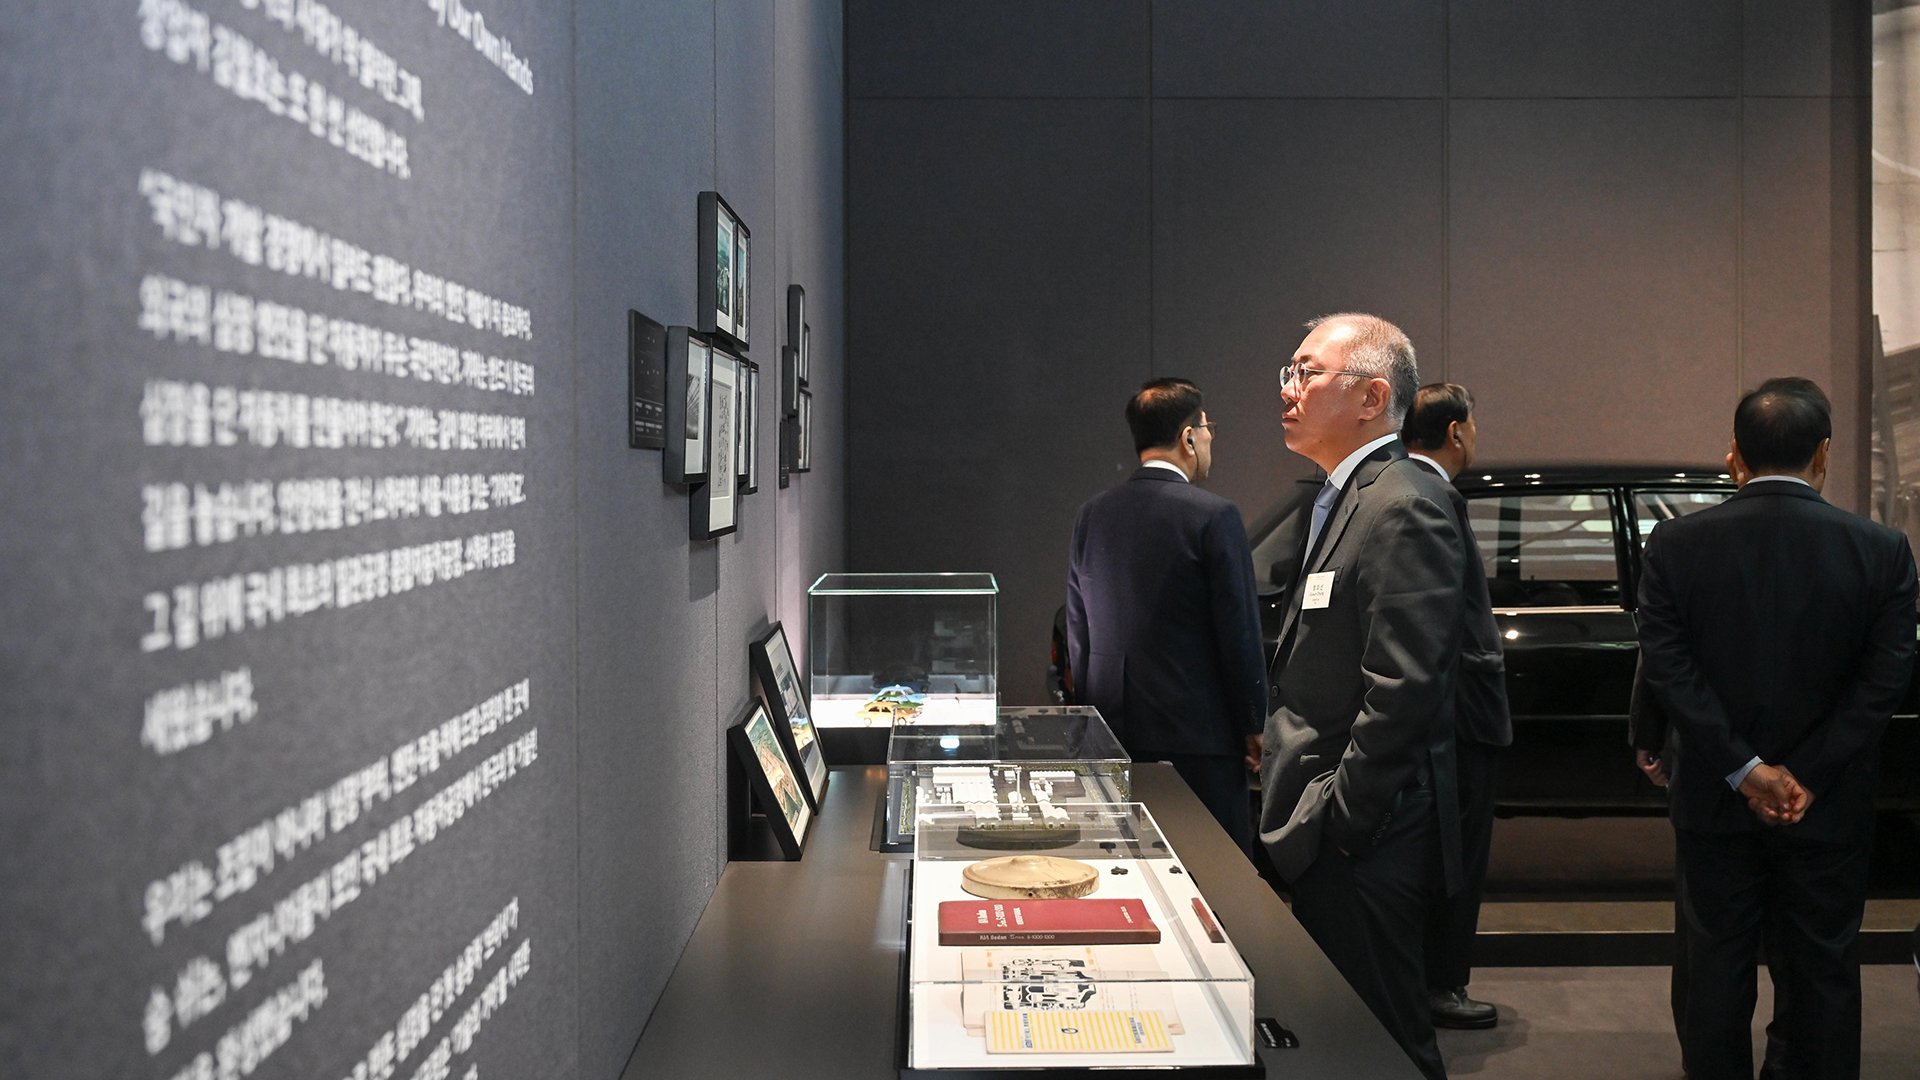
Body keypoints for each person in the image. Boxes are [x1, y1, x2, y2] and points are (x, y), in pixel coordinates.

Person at [1637, 377, 1916, 1080]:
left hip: (1714, 797)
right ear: (1823, 453)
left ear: (1735, 452)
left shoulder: (1675, 544)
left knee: (1713, 965)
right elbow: (1883, 683)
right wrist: (1806, 776)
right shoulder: (1882, 549)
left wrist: (1746, 771)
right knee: (1823, 965)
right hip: (1829, 803)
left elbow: (1669, 670)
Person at [1259, 314, 1467, 1080]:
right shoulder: (1349, 495)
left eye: (1308, 372)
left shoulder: (1400, 503)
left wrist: (1342, 819)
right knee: (1348, 1035)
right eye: (1289, 371)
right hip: (1334, 823)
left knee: (1387, 1043)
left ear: (1373, 397)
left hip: (1363, 833)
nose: (1289, 390)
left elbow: (1405, 687)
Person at [1066, 378, 1267, 853]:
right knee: (1212, 873)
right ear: (1188, 436)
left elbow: (1079, 631)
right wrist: (1254, 724)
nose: (1210, 439)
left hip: (1113, 735)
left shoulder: (1092, 514)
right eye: (1207, 428)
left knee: (1129, 869)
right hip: (1200, 741)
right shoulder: (1214, 515)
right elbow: (1238, 631)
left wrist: (1091, 721)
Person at [1402, 383, 1511, 1031]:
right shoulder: (1436, 496)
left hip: (1446, 714)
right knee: (1457, 854)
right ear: (1455, 432)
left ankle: (1434, 979)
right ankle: (1443, 983)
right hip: (1458, 717)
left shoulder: (1407, 488)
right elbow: (1445, 625)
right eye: (1473, 425)